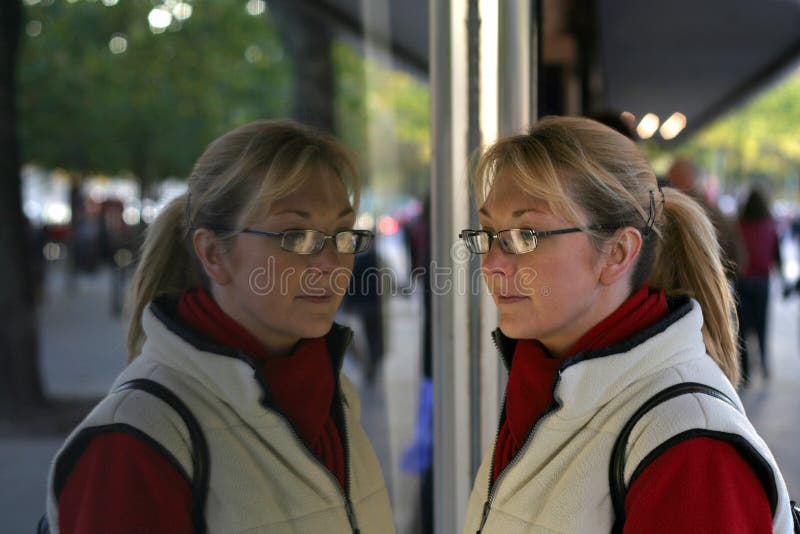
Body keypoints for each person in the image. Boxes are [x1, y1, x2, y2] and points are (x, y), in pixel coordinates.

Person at [45, 120, 394, 533]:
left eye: (341, 233)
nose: (331, 263)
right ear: (213, 254)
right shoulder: (136, 439)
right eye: (296, 235)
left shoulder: (335, 394)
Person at [459, 117, 794, 533]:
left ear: (618, 253)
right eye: (488, 233)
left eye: (526, 235)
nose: (491, 263)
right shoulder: (546, 387)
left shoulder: (691, 450)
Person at [666, 157, 743, 279]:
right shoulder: (712, 208)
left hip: (693, 282)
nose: (669, 182)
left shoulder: (680, 208)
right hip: (712, 280)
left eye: (671, 177)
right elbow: (736, 254)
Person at [736, 185, 783, 384]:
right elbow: (777, 255)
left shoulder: (739, 225)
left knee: (743, 326)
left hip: (743, 279)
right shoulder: (770, 225)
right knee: (763, 325)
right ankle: (764, 364)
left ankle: (745, 371)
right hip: (763, 282)